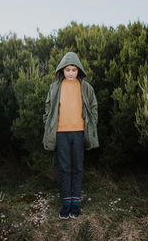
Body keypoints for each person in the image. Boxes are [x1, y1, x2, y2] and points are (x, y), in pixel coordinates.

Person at [43, 52, 99, 219]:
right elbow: (48, 109)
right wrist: (48, 122)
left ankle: (76, 200)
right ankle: (66, 201)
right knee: (65, 167)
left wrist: (92, 123)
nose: (70, 73)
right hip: (61, 133)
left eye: (74, 69)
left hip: (79, 132)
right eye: (67, 69)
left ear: (78, 71)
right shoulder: (55, 87)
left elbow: (94, 107)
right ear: (62, 70)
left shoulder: (86, 87)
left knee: (78, 167)